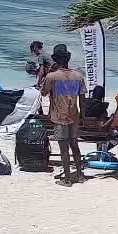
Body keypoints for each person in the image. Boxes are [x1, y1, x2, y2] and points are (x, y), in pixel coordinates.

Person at [41, 44, 86, 185]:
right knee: (75, 146)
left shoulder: (52, 76)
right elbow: (83, 99)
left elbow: (43, 92)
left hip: (59, 117)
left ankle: (67, 179)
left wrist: (49, 73)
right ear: (67, 58)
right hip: (74, 116)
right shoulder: (78, 76)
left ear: (56, 60)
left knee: (64, 149)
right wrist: (82, 116)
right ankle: (79, 175)